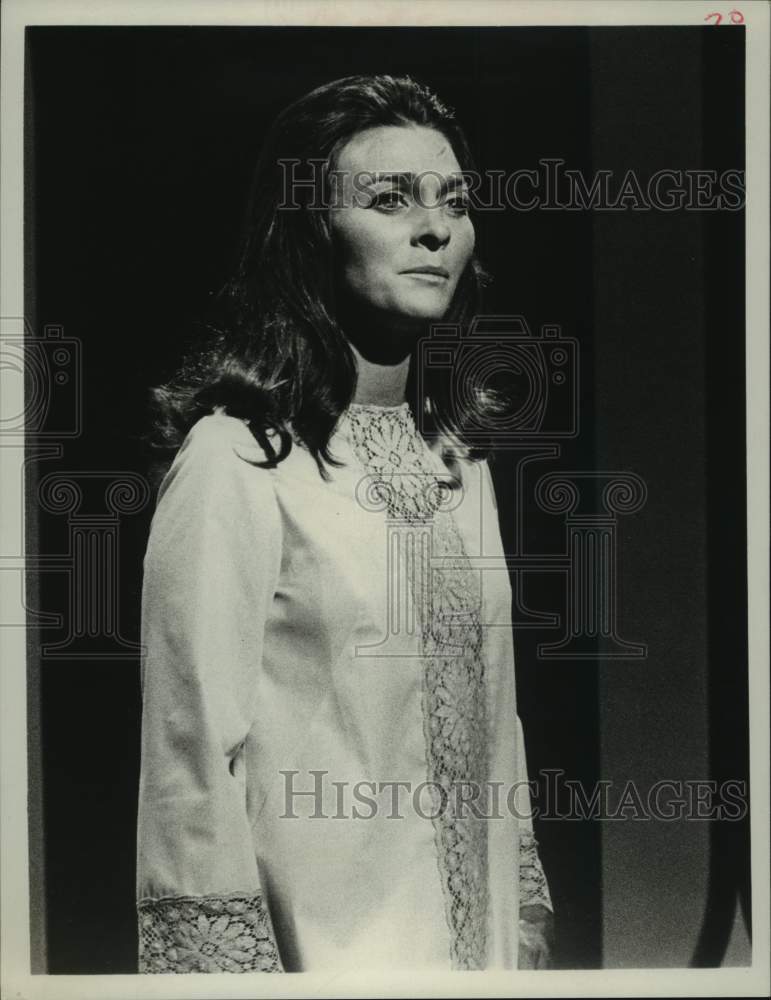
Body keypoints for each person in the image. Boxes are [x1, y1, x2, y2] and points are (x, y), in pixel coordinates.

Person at [136, 73, 553, 974]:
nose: (434, 228)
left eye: (455, 201)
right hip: (323, 964)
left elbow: (499, 726)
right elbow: (191, 759)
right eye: (391, 199)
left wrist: (521, 930)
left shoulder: (456, 462)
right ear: (311, 229)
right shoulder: (236, 460)